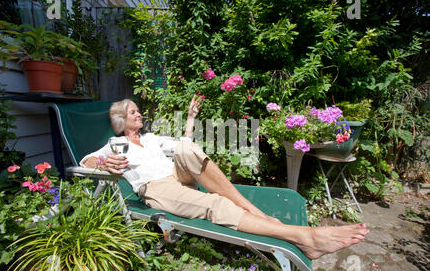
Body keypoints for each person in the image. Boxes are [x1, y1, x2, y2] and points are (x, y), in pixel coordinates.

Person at [80, 96, 369, 260]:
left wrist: (192, 117)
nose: (139, 113)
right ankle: (304, 238)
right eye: (133, 112)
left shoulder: (152, 138)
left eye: (138, 110)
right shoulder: (116, 145)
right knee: (215, 204)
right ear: (120, 120)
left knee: (185, 147)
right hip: (156, 189)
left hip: (178, 177)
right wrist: (104, 161)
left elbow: (186, 145)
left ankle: (252, 210)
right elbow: (84, 161)